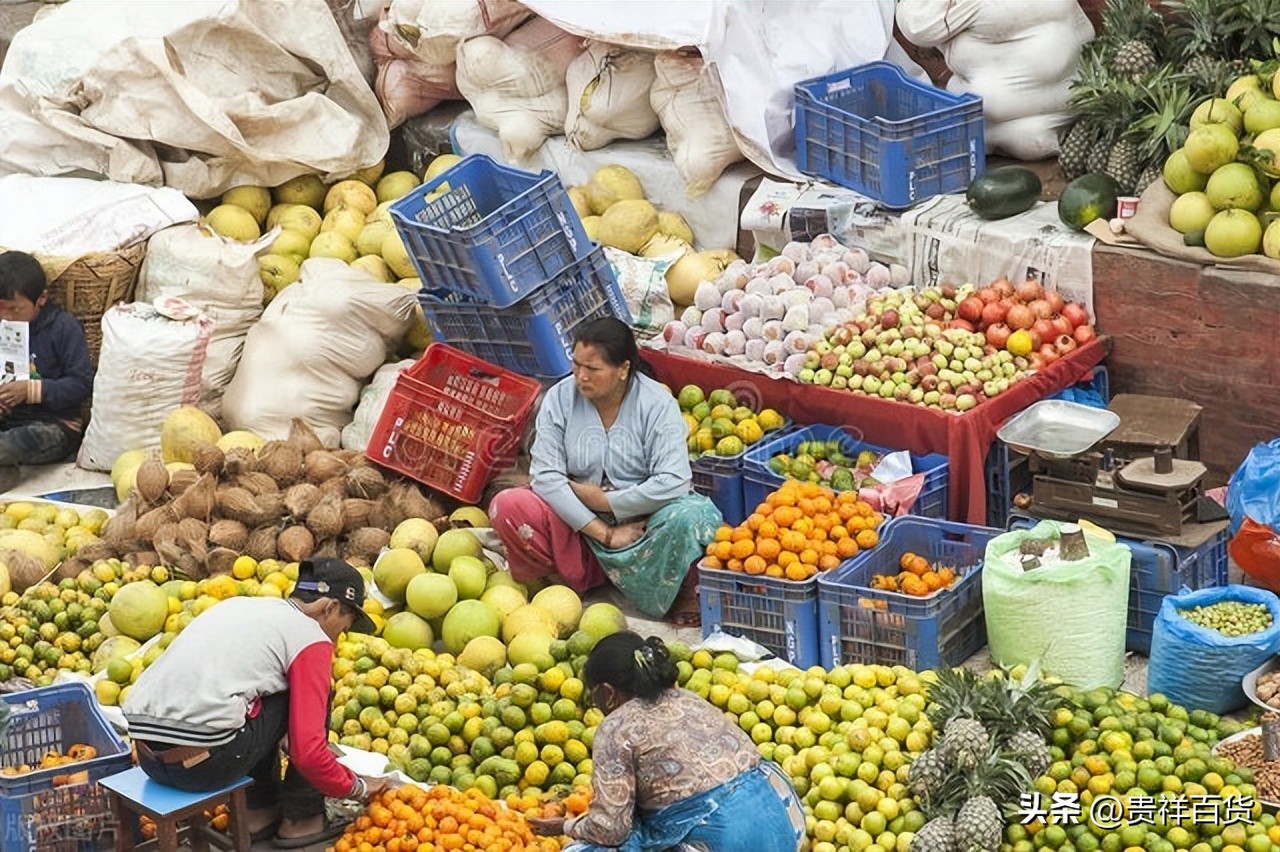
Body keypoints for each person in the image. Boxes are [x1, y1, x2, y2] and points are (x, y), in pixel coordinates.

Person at [122, 558, 387, 848]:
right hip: (202, 769)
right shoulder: (310, 636)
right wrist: (358, 788)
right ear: (331, 608)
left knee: (253, 696)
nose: (340, 636)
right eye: (345, 625)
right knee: (315, 696)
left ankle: (258, 812)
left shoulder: (240, 606)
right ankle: (302, 820)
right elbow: (308, 753)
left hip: (148, 758)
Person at [489, 317, 721, 621]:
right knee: (507, 505)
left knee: (694, 516)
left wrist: (607, 502)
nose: (581, 376)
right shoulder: (560, 398)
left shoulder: (656, 404)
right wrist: (605, 532)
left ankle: (670, 592)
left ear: (623, 369)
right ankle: (569, 582)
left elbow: (674, 481)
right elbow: (546, 476)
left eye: (593, 369)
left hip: (645, 521)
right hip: (577, 519)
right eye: (576, 365)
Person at [528, 631, 805, 852]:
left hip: (730, 836)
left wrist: (568, 827)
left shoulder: (616, 727)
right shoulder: (688, 698)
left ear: (607, 692)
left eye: (593, 696)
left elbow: (610, 830)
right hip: (782, 819)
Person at [0, 251, 93, 493]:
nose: (5, 317)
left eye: (14, 310)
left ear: (41, 298)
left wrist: (29, 391)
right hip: (9, 418)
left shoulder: (63, 328)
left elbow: (81, 384)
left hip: (54, 424)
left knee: (8, 445)